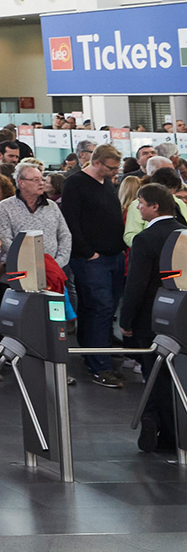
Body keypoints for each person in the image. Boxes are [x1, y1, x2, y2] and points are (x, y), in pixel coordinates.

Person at [122, 183, 185, 455]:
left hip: (151, 318)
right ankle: (166, 427)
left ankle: (163, 428)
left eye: (141, 203)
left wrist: (126, 320)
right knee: (179, 376)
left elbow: (136, 284)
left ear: (154, 206)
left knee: (155, 375)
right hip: (181, 315)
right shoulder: (184, 233)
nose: (138, 207)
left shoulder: (145, 239)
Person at [61, 144, 126, 389]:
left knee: (100, 311)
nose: (113, 172)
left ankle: (96, 356)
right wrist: (88, 253)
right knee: (100, 308)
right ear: (96, 162)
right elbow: (71, 221)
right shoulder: (75, 183)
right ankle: (100, 365)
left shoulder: (106, 183)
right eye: (110, 167)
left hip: (113, 255)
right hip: (92, 259)